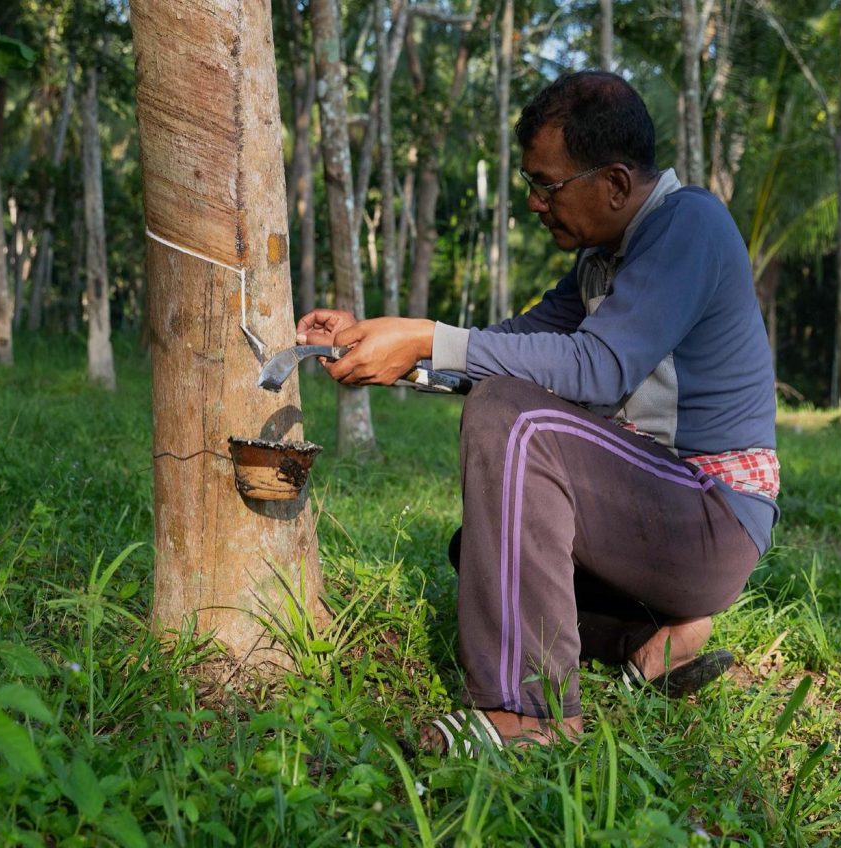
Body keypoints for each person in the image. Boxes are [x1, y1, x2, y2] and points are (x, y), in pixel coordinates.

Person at [294, 71, 779, 753]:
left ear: (614, 183)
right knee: (485, 554)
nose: (533, 202)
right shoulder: (598, 262)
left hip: (710, 514)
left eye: (547, 186)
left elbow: (596, 369)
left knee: (512, 418)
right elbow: (516, 347)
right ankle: (649, 640)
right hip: (652, 513)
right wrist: (385, 347)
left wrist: (427, 337)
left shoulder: (688, 224)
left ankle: (530, 713)